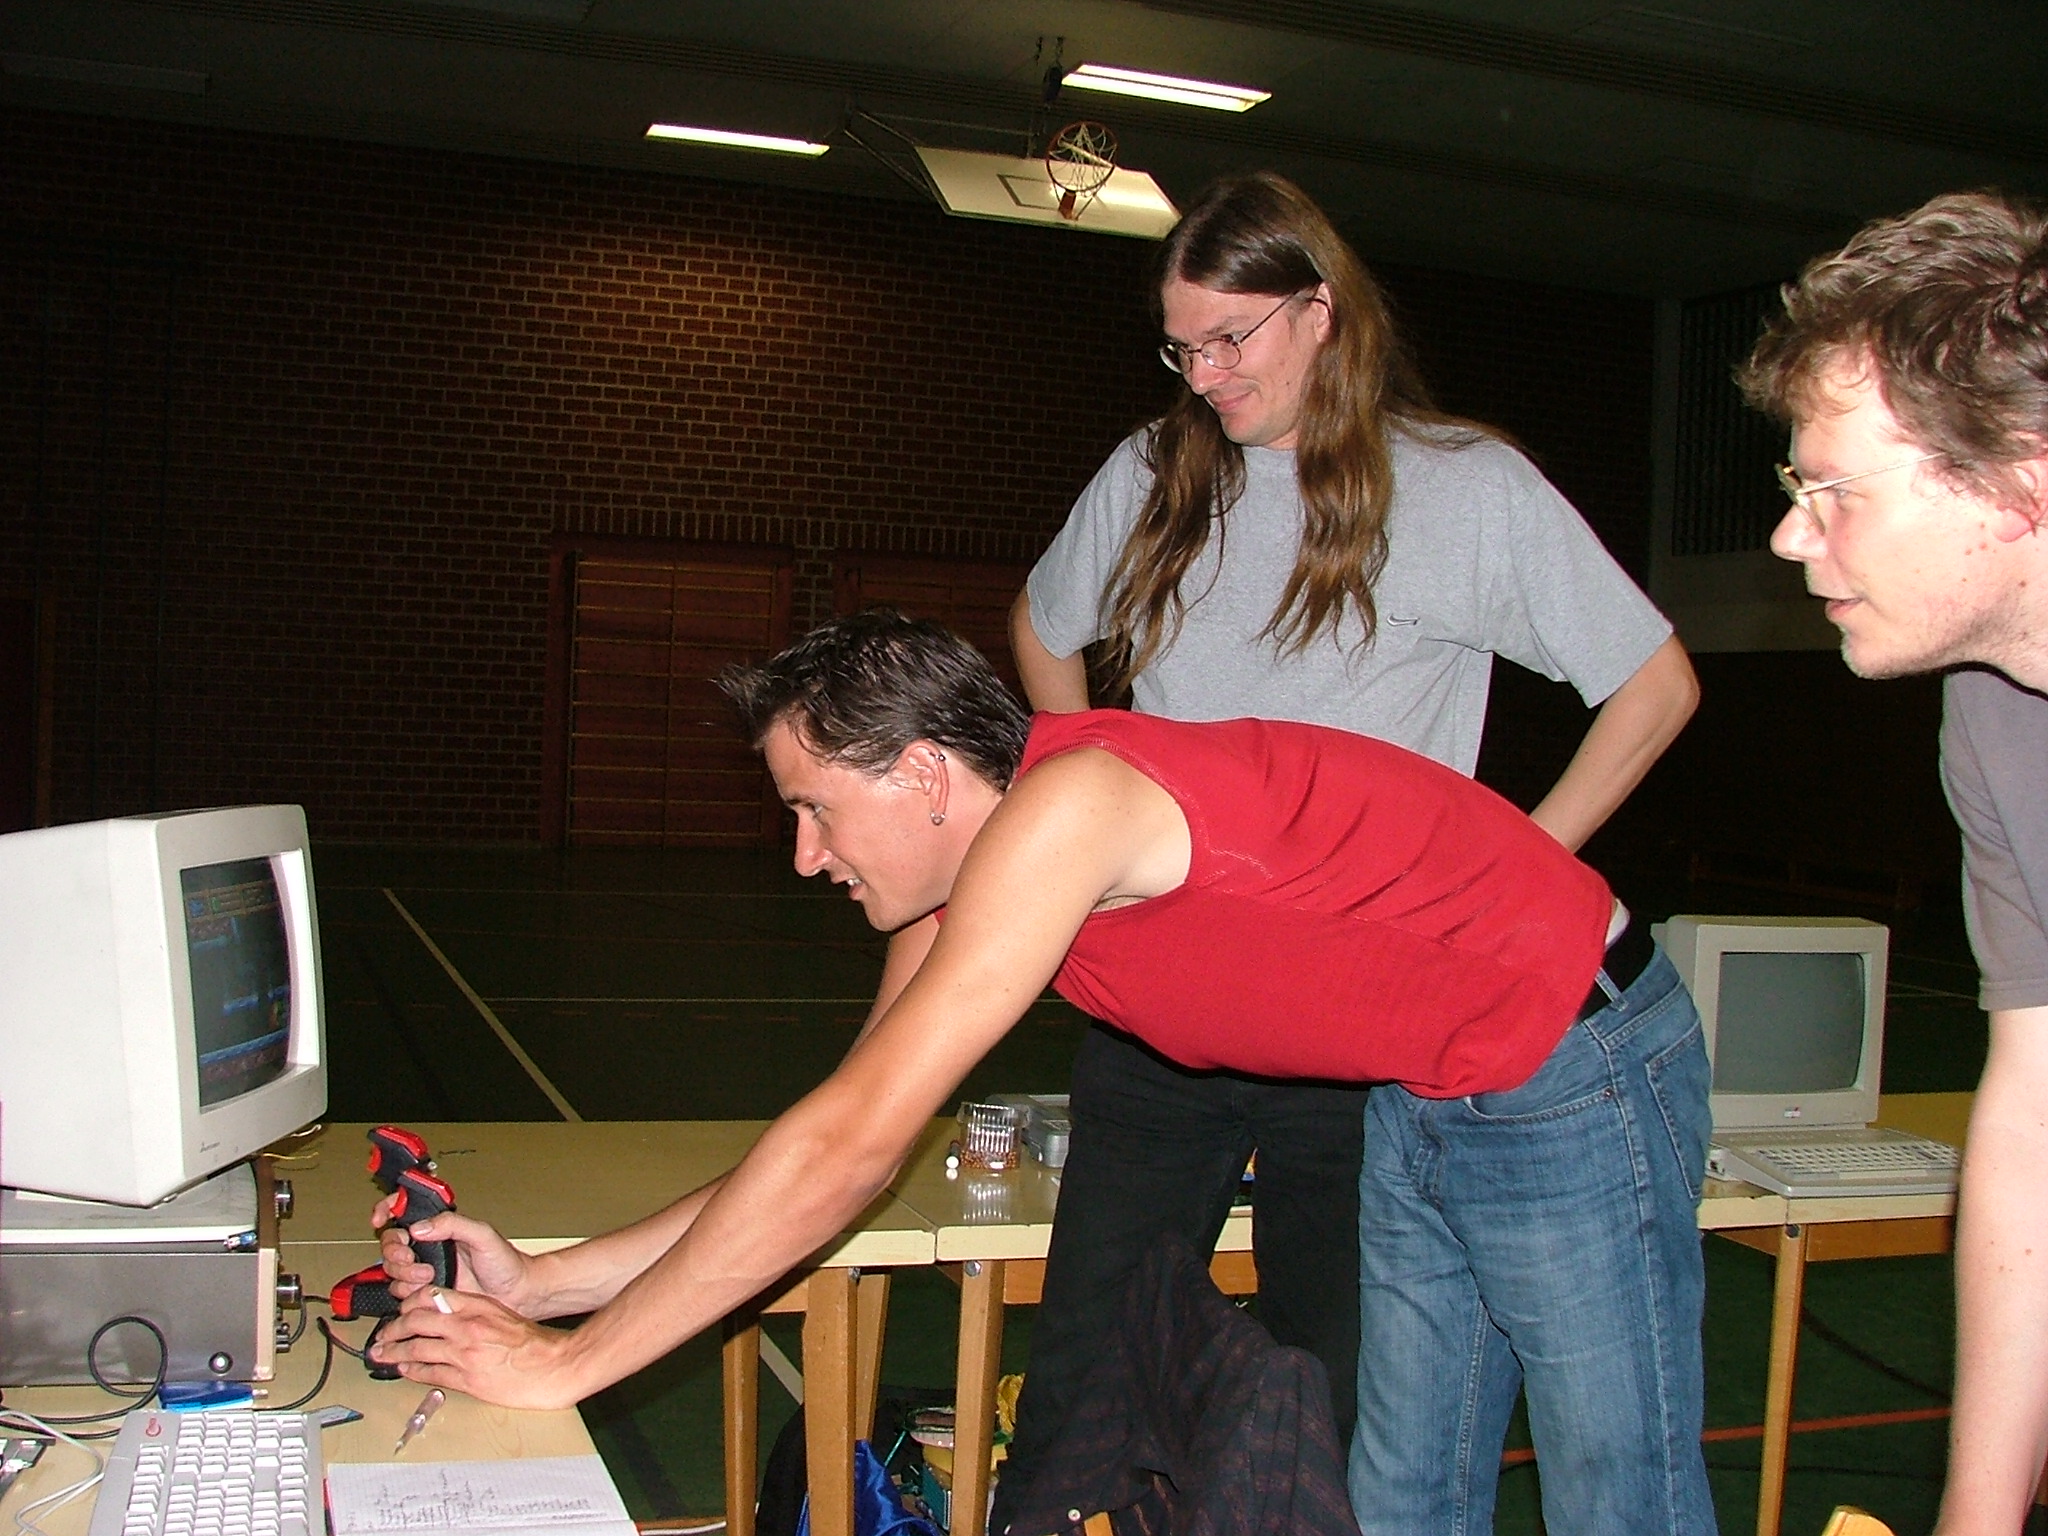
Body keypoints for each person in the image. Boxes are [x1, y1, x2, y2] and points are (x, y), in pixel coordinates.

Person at [369, 612, 1716, 1536]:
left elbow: (844, 1152)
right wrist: (549, 1283)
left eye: (814, 809)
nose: (806, 855)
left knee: (1620, 1488)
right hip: (1427, 1096)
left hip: (1576, 1058)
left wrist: (571, 1368)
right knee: (1404, 1494)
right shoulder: (960, 890)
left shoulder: (1073, 808)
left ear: (924, 775)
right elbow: (837, 1139)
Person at [1005, 171, 1699, 1524]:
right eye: (1181, 347)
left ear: (1320, 310)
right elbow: (1044, 626)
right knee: (1085, 1360)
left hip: (1353, 1031)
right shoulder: (1155, 472)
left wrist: (1513, 871)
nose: (1205, 375)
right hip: (1168, 1016)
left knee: (1332, 1385)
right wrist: (1084, 801)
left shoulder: (1465, 489)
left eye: (1231, 338)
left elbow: (1653, 685)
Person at [1737, 189, 2048, 1536]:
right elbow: (2036, 1113)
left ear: (2022, 479)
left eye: (1834, 492)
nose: (1791, 536)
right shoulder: (1994, 708)